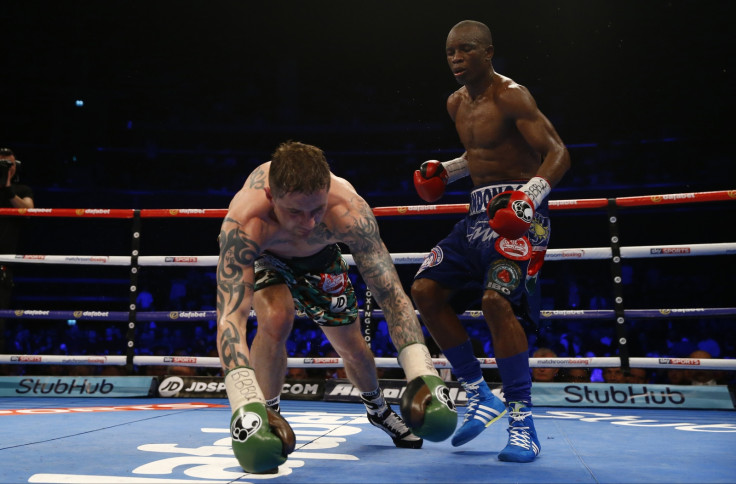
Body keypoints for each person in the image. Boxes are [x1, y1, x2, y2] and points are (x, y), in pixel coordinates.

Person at [216, 141, 457, 474]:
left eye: (317, 209)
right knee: (275, 316)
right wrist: (244, 407)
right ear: (272, 197)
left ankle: (378, 410)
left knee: (353, 347)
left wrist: (421, 371)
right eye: (295, 212)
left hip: (322, 258)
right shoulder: (245, 223)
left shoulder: (348, 209)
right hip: (267, 256)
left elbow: (390, 294)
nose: (310, 222)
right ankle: (266, 412)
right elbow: (231, 318)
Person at [411, 20, 571, 463]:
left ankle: (522, 419)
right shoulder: (454, 103)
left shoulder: (512, 95)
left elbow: (558, 153)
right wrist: (448, 170)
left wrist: (527, 198)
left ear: (488, 52)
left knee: (496, 302)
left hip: (520, 212)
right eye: (449, 52)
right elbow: (480, 153)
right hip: (475, 215)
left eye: (465, 50)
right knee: (425, 289)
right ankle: (479, 393)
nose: (456, 59)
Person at [0, 148, 34, 354]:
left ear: (16, 166)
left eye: (9, 164)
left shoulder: (22, 190)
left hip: (2, 266)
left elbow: (29, 211)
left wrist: (7, 187)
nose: (6, 168)